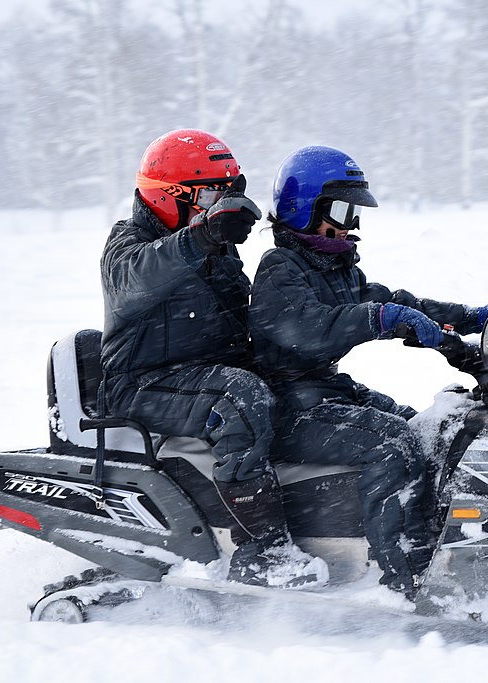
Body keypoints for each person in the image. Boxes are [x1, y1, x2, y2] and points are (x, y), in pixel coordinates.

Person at [249, 145, 488, 596]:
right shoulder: (279, 270)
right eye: (343, 212)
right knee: (390, 443)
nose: (352, 226)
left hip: (322, 392)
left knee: (422, 427)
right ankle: (402, 572)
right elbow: (308, 329)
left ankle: (444, 542)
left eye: (355, 214)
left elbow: (404, 305)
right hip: (285, 406)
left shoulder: (335, 267)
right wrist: (377, 318)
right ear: (305, 209)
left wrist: (473, 319)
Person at [100, 129, 325, 588]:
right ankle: (261, 551)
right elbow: (137, 278)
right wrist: (201, 236)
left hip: (204, 372)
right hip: (142, 381)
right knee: (238, 398)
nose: (222, 204)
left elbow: (243, 316)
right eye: (211, 194)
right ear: (169, 197)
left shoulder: (215, 247)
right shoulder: (130, 242)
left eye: (231, 190)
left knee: (306, 386)